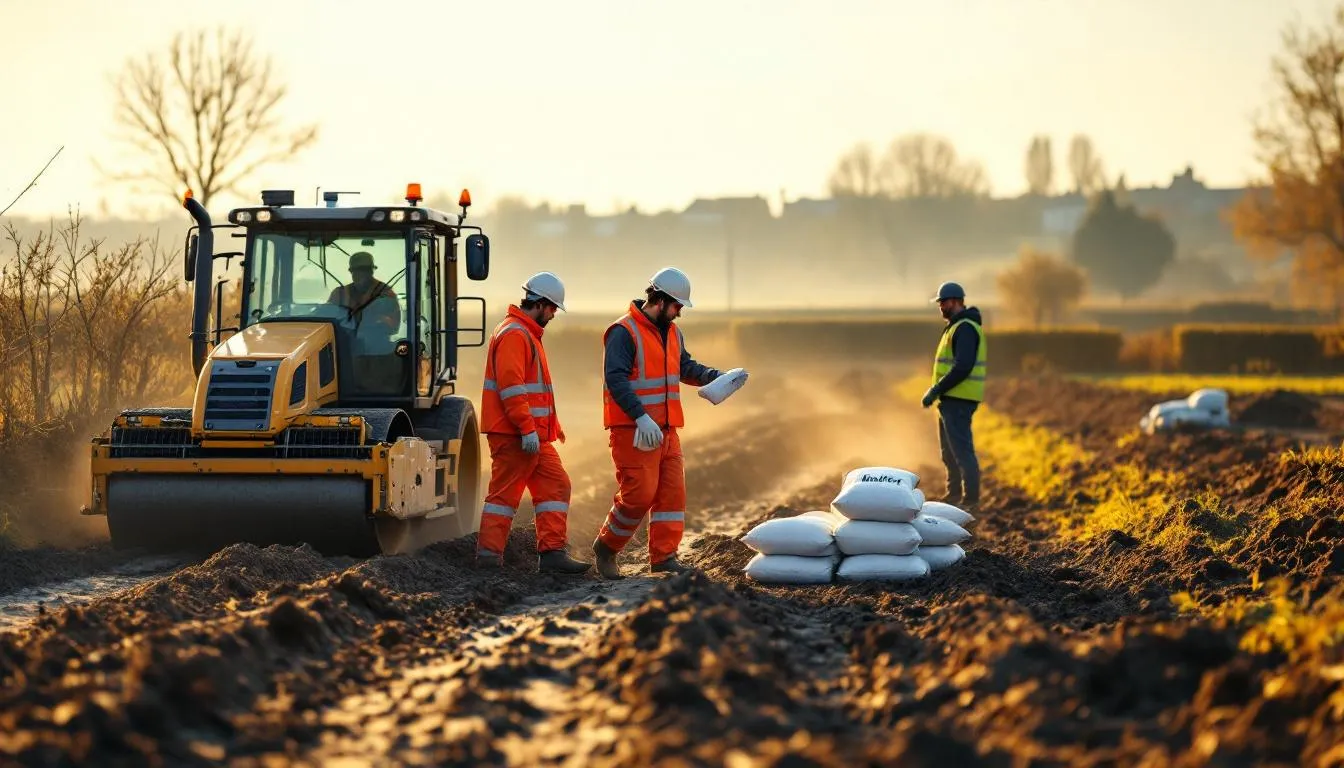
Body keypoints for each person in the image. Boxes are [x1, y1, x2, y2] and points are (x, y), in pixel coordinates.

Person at [591, 266, 746, 579]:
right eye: (676, 306)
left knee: (672, 496)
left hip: (666, 430)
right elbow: (615, 379)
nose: (679, 313)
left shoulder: (673, 332)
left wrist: (716, 377)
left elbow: (684, 367)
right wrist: (640, 416)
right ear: (659, 301)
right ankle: (606, 548)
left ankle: (663, 558)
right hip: (633, 431)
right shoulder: (623, 332)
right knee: (638, 497)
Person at [477, 272, 591, 574]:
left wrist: (550, 427)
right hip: (514, 434)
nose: (553, 314)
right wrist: (527, 428)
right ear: (539, 304)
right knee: (504, 497)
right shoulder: (515, 334)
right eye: (552, 308)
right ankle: (488, 559)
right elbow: (512, 388)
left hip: (532, 435)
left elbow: (533, 391)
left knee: (556, 485)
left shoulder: (526, 332)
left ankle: (552, 553)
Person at [921, 281, 986, 509]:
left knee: (961, 452)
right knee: (949, 452)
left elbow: (963, 366)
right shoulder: (955, 327)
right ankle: (954, 495)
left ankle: (970, 500)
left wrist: (936, 389)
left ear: (956, 301)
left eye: (943, 302)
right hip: (950, 399)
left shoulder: (965, 328)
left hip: (959, 399)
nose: (941, 306)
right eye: (939, 303)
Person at [328, 251, 400, 332]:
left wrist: (371, 320)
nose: (362, 274)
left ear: (372, 271)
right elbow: (328, 320)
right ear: (351, 271)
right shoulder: (339, 294)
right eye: (357, 270)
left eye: (366, 270)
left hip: (376, 338)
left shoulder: (385, 292)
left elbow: (394, 326)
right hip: (343, 338)